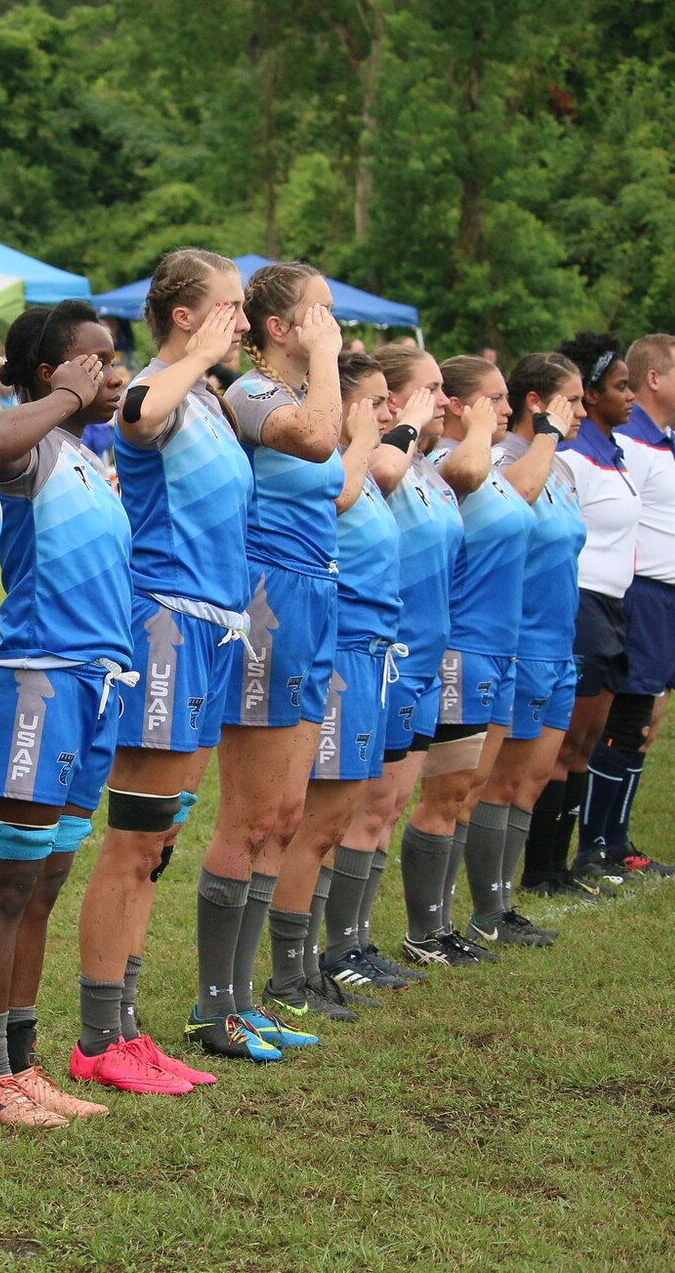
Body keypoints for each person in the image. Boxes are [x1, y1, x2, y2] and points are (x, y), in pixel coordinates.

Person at [71, 248, 249, 1090]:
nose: (242, 322)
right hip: (166, 625)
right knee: (134, 840)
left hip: (217, 629)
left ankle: (127, 1027)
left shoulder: (209, 398)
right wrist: (200, 361)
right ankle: (101, 1039)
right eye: (230, 307)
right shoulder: (165, 387)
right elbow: (134, 415)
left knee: (163, 838)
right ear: (187, 316)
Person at [0, 299, 127, 1127]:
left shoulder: (89, 454)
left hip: (95, 685)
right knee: (10, 878)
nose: (112, 371)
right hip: (37, 680)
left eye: (114, 358)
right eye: (94, 359)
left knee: (48, 879)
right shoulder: (29, 445)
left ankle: (25, 1065)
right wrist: (65, 396)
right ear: (49, 372)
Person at [202, 262, 345, 1044]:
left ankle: (246, 992)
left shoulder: (303, 391)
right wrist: (325, 364)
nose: (335, 327)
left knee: (287, 814)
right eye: (319, 314)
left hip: (318, 595)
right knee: (250, 814)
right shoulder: (251, 393)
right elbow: (320, 442)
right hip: (270, 601)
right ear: (281, 329)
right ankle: (212, 1000)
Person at [265, 351, 426, 1020]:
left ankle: (310, 963)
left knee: (333, 819)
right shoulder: (339, 462)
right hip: (341, 646)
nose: (390, 413)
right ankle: (289, 974)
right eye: (378, 401)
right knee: (316, 819)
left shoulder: (357, 460)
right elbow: (335, 499)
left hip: (370, 651)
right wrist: (361, 439)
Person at [325, 344, 456, 994]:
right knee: (364, 805)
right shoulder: (378, 456)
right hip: (379, 650)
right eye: (424, 389)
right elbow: (378, 466)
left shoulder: (420, 463)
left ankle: (358, 938)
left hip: (410, 651)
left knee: (389, 802)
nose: (439, 401)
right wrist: (393, 423)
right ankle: (338, 944)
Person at [398, 355, 527, 967]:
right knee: (443, 793)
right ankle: (424, 929)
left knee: (468, 791)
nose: (506, 409)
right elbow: (467, 470)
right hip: (461, 649)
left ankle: (444, 923)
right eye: (494, 399)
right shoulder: (456, 461)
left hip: (498, 647)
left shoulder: (481, 462)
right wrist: (475, 426)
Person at [579, 335, 675, 871]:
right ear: (656, 379)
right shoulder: (628, 441)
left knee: (644, 722)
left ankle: (618, 841)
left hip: (668, 601)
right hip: (640, 597)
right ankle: (598, 844)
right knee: (626, 721)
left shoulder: (663, 441)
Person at [472, 354, 586, 916]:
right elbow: (509, 502)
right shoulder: (503, 457)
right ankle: (485, 910)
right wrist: (545, 439)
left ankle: (504, 901)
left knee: (534, 781)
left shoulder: (561, 468)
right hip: (519, 641)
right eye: (574, 400)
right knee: (501, 783)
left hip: (559, 645)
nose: (583, 412)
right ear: (537, 405)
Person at [543, 336, 657, 886]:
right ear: (587, 393)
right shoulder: (570, 455)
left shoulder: (613, 452)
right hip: (583, 603)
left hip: (615, 605)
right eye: (620, 387)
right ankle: (548, 865)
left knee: (590, 740)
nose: (631, 397)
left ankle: (586, 853)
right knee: (567, 741)